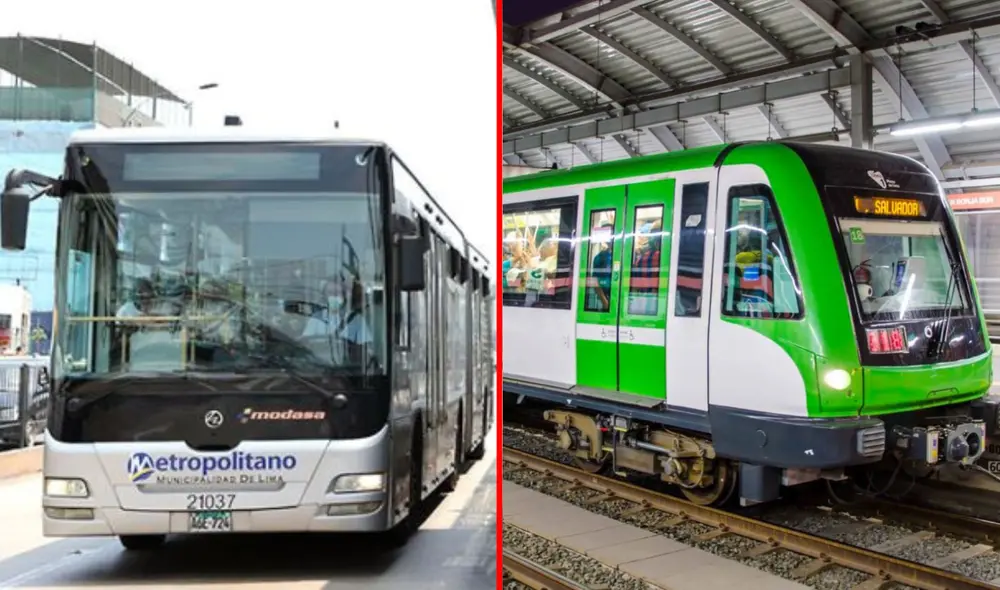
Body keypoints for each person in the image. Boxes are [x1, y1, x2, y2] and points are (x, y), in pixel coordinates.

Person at [302, 277, 374, 363]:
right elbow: (305, 344)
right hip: (318, 368)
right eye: (330, 293)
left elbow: (367, 350)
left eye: (337, 293)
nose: (334, 296)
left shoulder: (357, 320)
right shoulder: (317, 318)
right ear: (325, 296)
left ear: (344, 296)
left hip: (347, 370)